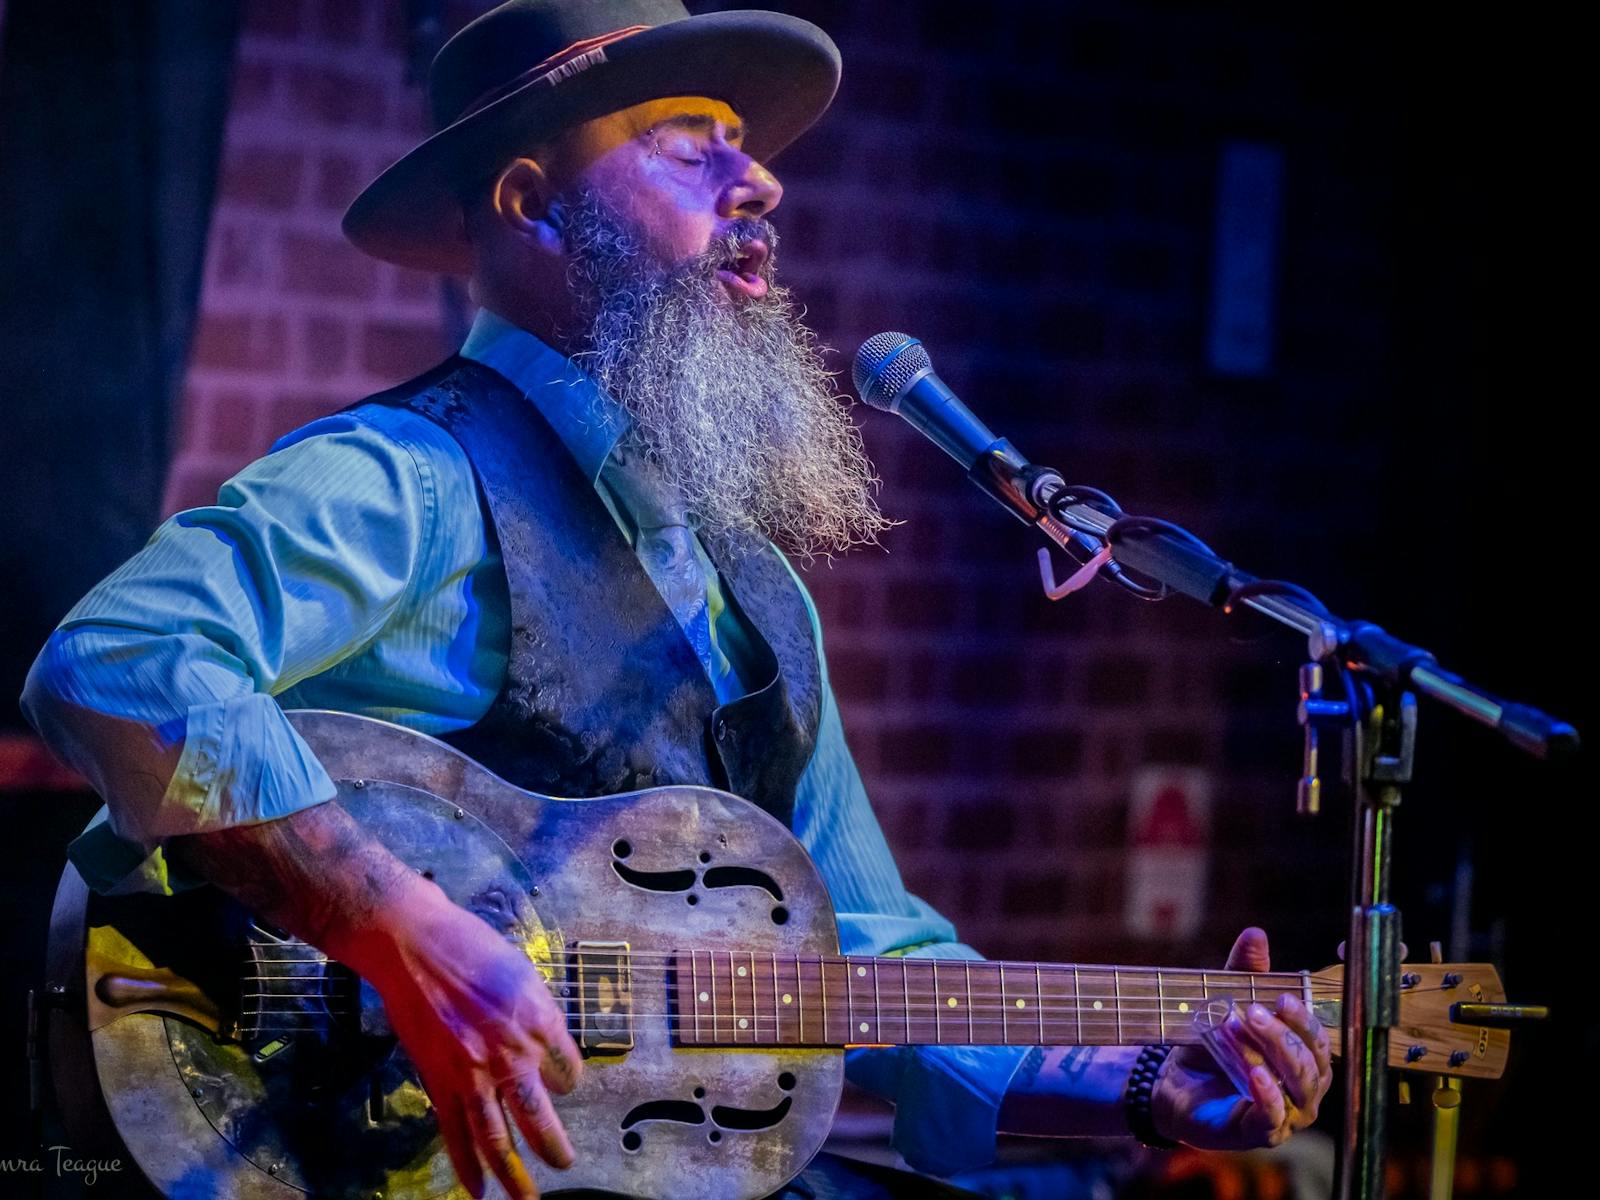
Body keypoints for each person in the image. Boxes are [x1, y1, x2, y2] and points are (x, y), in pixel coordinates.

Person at [22, 3, 1332, 1198]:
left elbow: (872, 956)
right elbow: (117, 657)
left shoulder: (755, 591)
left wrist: (1150, 1085)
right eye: (688, 143)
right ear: (535, 204)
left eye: (747, 149)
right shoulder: (410, 480)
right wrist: (393, 927)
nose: (757, 180)